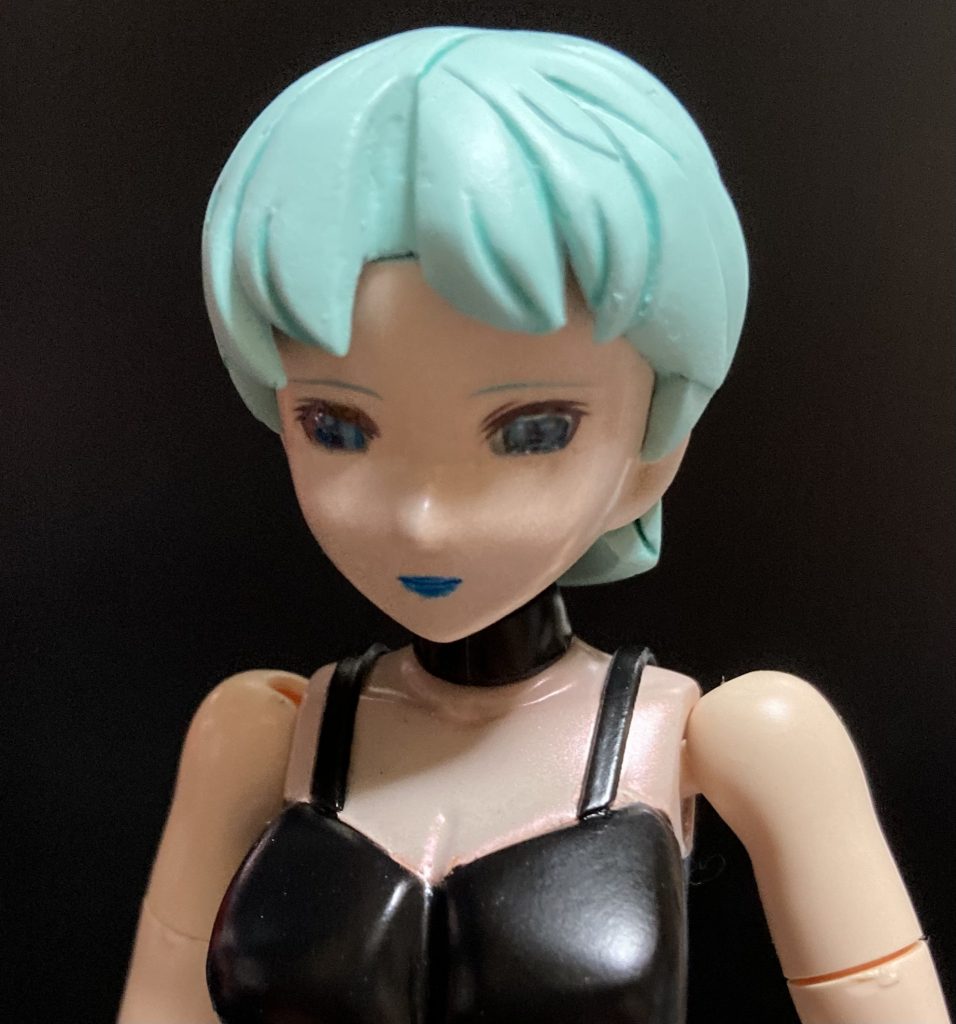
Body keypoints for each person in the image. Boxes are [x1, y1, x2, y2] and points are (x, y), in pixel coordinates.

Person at [118, 27, 949, 1023]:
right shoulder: (259, 736)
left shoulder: (737, 740)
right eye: (336, 426)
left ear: (652, 449)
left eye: (534, 430)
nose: (423, 523)